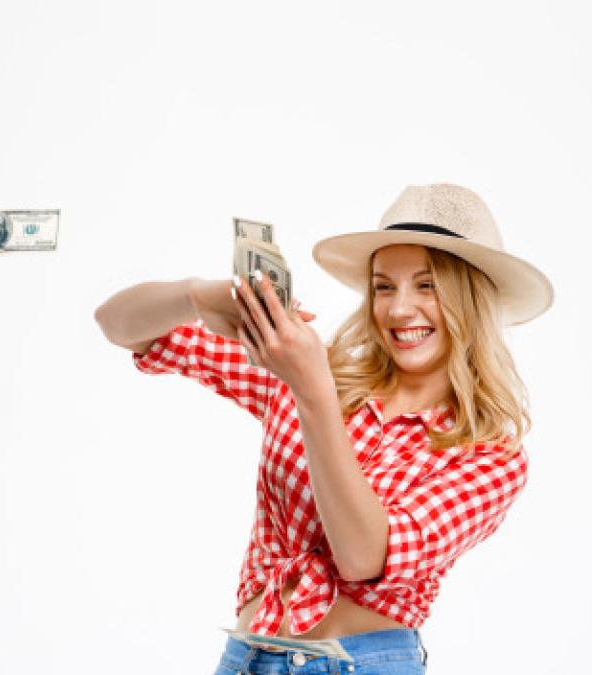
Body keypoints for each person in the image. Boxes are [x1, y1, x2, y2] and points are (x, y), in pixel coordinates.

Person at [94, 183, 554, 673]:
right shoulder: (317, 370)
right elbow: (118, 326)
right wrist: (198, 296)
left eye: (427, 285)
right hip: (246, 657)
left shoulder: (491, 458)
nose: (399, 310)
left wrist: (312, 390)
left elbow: (363, 557)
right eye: (383, 286)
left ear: (471, 300)